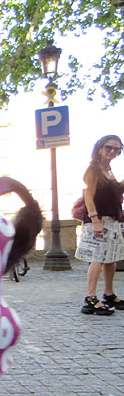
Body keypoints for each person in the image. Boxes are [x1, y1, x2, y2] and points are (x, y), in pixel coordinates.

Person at [75, 134, 124, 315]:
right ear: (100, 148)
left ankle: (109, 294)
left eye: (117, 149)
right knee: (97, 258)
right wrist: (95, 222)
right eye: (109, 147)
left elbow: (113, 192)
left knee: (111, 258)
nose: (112, 151)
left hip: (112, 220)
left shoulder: (108, 170)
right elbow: (89, 197)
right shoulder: (93, 170)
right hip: (98, 221)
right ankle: (90, 299)